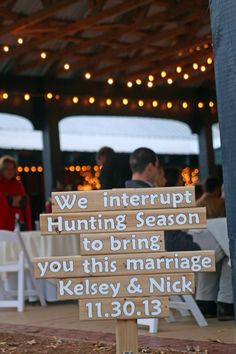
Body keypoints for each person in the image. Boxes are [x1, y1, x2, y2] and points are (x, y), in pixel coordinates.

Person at [126, 149, 234, 320]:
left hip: (150, 254)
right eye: (158, 166)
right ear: (150, 166)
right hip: (171, 249)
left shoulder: (123, 194)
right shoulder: (152, 194)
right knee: (230, 239)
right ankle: (227, 302)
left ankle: (206, 300)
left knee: (218, 241)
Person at [0, 155, 32, 231]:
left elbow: (24, 203)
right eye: (7, 169)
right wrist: (8, 200)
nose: (10, 171)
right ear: (1, 170)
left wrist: (10, 199)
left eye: (12, 168)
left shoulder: (18, 184)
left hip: (17, 223)